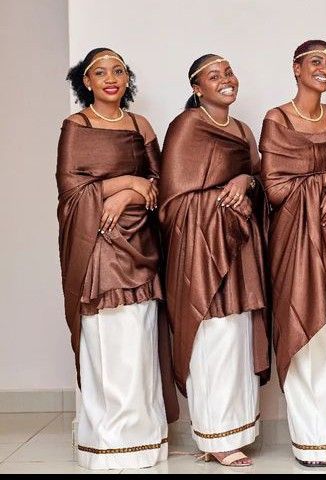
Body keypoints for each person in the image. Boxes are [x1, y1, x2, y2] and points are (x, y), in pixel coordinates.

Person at [57, 48, 177, 470]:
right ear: (85, 81)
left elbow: (161, 181)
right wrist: (128, 180)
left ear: (127, 79)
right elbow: (71, 192)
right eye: (100, 72)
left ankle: (143, 441)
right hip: (98, 248)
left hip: (140, 245)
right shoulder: (77, 125)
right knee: (107, 343)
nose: (111, 78)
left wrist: (129, 190)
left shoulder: (140, 125)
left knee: (138, 340)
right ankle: (108, 444)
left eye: (119, 71)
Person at [159, 54, 270, 467]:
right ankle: (215, 434)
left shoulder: (242, 130)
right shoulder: (186, 126)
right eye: (214, 75)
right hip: (201, 248)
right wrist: (223, 197)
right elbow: (173, 202)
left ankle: (238, 428)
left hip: (239, 246)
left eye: (228, 72)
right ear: (196, 88)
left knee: (236, 334)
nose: (225, 79)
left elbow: (259, 182)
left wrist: (245, 182)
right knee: (212, 337)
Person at [259, 40, 326, 467]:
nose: (324, 69)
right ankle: (309, 439)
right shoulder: (277, 118)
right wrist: (324, 181)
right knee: (305, 332)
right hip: (296, 242)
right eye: (316, 62)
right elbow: (274, 188)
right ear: (297, 68)